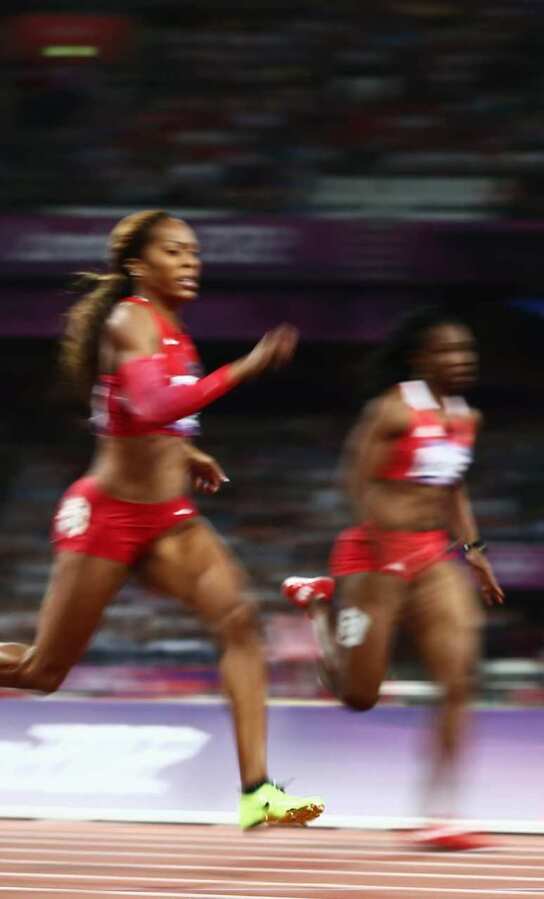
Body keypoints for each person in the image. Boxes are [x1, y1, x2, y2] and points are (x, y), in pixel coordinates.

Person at [0, 209, 324, 829]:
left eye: (194, 252)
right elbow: (148, 405)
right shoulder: (129, 320)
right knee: (44, 671)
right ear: (137, 266)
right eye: (174, 252)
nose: (190, 261)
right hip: (106, 518)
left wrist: (189, 450)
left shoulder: (176, 333)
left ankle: (258, 794)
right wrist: (244, 370)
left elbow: (140, 415)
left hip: (168, 518)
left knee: (240, 619)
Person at [281, 308, 504, 850]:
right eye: (448, 351)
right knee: (359, 695)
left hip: (432, 557)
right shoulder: (392, 410)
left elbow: (454, 488)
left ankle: (442, 812)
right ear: (420, 359)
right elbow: (355, 479)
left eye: (467, 351)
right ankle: (316, 606)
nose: (461, 360)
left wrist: (474, 552)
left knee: (459, 677)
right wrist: (382, 552)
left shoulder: (466, 418)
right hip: (372, 556)